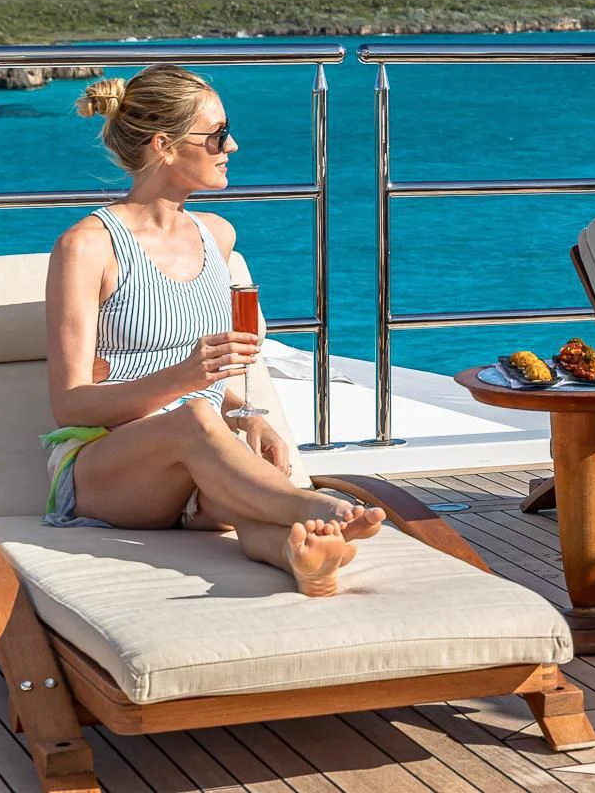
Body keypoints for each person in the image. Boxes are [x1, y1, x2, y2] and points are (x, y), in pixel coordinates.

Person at [44, 64, 384, 596]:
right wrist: (188, 382)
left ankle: (302, 557)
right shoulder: (88, 247)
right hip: (106, 466)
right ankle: (316, 506)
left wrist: (248, 417)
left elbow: (206, 379)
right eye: (218, 135)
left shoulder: (217, 236)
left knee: (240, 498)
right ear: (164, 145)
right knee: (197, 418)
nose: (233, 146)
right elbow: (70, 406)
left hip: (198, 451)